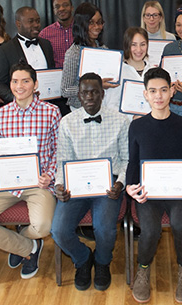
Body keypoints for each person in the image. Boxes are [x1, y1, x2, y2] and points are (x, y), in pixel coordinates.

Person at [0, 62, 61, 280]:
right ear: (10, 85)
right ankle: (27, 248)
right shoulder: (0, 114)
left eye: (26, 81)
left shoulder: (52, 112)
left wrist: (50, 174)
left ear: (35, 85)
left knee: (44, 226)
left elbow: (59, 149)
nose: (20, 86)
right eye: (15, 81)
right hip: (8, 183)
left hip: (39, 183)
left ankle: (23, 238)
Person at [126, 68, 182, 303]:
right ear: (145, 94)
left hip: (178, 191)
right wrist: (130, 186)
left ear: (171, 92)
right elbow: (133, 162)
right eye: (153, 91)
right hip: (149, 192)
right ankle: (143, 269)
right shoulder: (137, 126)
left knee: (180, 223)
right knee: (150, 229)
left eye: (164, 90)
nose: (158, 96)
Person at [51, 73, 130, 292]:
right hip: (75, 185)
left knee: (104, 229)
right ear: (78, 95)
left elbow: (126, 159)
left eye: (95, 91)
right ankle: (83, 258)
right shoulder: (67, 123)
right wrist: (59, 185)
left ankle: (103, 262)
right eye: (85, 92)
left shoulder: (121, 121)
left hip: (108, 186)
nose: (90, 96)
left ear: (103, 94)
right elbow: (61, 162)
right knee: (58, 230)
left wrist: (120, 183)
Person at [0, 6, 55, 105]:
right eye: (31, 21)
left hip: (48, 104)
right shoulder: (4, 50)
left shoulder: (47, 45)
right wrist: (18, 99)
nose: (36, 25)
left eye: (38, 21)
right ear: (18, 24)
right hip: (20, 108)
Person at [60, 2, 117, 110]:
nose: (97, 27)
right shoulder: (74, 53)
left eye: (100, 22)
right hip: (80, 109)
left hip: (103, 106)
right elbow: (65, 90)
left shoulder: (103, 48)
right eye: (91, 23)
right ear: (81, 24)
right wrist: (96, 86)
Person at [103, 27, 154, 112]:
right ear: (127, 45)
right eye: (133, 45)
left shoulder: (154, 71)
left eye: (142, 44)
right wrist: (131, 117)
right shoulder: (118, 72)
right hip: (125, 124)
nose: (139, 49)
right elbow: (110, 105)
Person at [39, 0, 75, 68]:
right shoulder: (44, 34)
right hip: (56, 76)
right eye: (57, 7)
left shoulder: (83, 29)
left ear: (72, 8)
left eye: (65, 5)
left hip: (81, 76)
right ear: (54, 11)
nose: (61, 9)